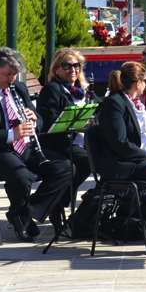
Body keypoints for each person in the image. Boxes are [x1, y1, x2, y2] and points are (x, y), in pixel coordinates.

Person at [0, 47, 73, 242]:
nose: (11, 79)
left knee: (65, 168)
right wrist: (12, 134)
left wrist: (34, 120)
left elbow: (40, 120)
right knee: (21, 176)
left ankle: (23, 212)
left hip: (23, 147)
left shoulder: (18, 88)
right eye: (7, 74)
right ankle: (22, 216)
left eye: (14, 74)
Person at [95, 62, 146, 241]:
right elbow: (120, 143)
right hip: (122, 164)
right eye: (144, 81)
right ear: (137, 83)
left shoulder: (137, 104)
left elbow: (142, 135)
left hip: (137, 159)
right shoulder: (114, 103)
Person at [37, 48, 94, 206]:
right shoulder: (52, 89)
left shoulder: (81, 90)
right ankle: (60, 202)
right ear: (56, 69)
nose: (73, 69)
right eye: (67, 66)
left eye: (76, 65)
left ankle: (80, 205)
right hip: (59, 142)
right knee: (87, 161)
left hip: (81, 141)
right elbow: (50, 121)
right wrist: (78, 122)